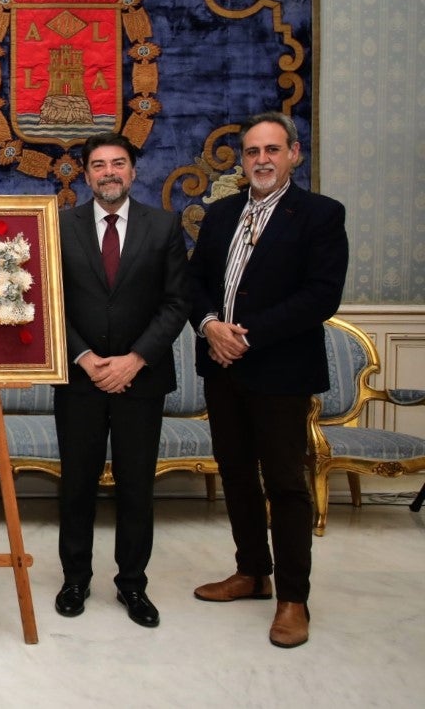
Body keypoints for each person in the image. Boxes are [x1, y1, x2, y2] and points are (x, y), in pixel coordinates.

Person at [187, 112, 347, 649]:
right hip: (221, 368)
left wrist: (247, 336)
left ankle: (293, 599)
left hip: (279, 371)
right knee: (235, 474)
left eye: (272, 150)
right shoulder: (221, 213)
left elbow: (321, 296)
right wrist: (211, 326)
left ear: (293, 155)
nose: (261, 160)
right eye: (252, 151)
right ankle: (253, 573)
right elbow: (194, 283)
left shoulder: (320, 216)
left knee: (285, 484)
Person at [53, 132, 189, 628]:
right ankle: (75, 579)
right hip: (80, 378)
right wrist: (86, 358)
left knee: (136, 488)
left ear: (133, 171)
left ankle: (133, 585)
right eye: (98, 165)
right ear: (85, 174)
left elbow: (176, 302)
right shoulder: (59, 226)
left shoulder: (164, 226)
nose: (108, 172)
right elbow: (50, 300)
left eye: (118, 164)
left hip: (141, 380)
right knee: (77, 485)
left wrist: (135, 359)